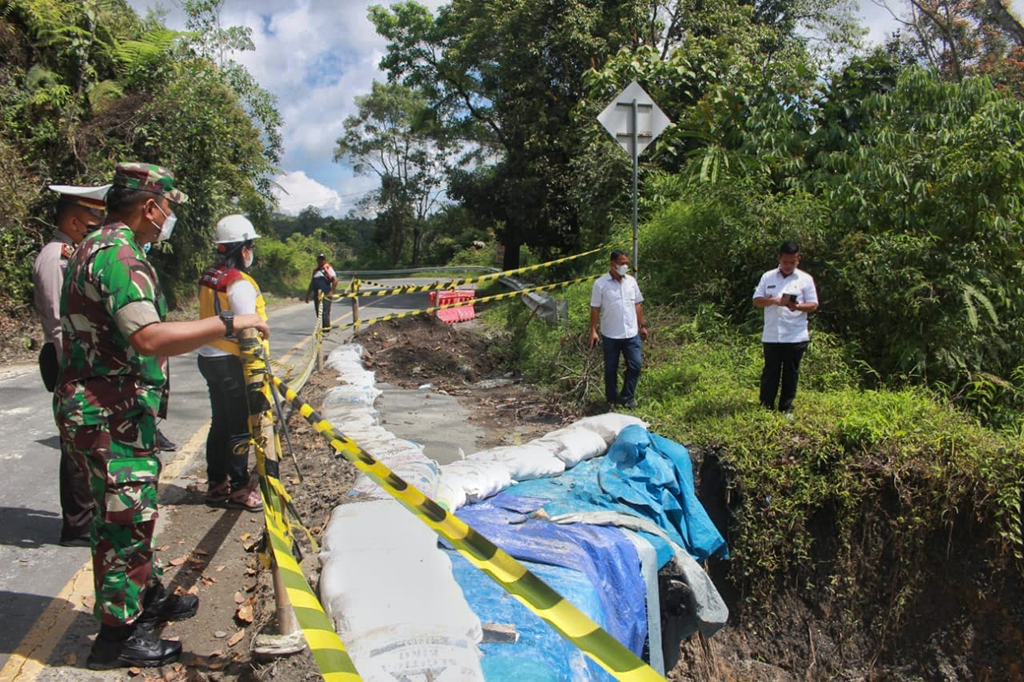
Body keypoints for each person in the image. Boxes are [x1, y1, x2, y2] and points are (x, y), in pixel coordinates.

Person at [54, 162, 270, 670]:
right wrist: (229, 321)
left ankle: (147, 598)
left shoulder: (98, 246)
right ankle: (116, 638)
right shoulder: (119, 255)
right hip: (108, 413)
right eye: (168, 208)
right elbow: (148, 338)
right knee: (123, 521)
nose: (168, 217)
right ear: (150, 206)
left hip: (109, 410)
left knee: (131, 515)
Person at [32, 183, 109, 546]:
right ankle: (76, 524)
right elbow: (57, 318)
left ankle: (86, 516)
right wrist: (74, 368)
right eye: (93, 215)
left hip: (80, 359)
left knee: (87, 442)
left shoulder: (72, 252)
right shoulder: (55, 256)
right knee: (75, 445)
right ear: (76, 219)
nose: (96, 222)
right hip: (69, 361)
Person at [196, 214, 266, 512]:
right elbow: (246, 327)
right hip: (232, 362)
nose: (252, 251)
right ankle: (239, 488)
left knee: (220, 423)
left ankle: (217, 483)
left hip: (209, 357)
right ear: (241, 248)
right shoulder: (239, 283)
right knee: (239, 427)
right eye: (249, 245)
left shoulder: (211, 275)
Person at [752, 241, 819, 415]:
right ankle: (765, 406)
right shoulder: (768, 277)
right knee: (770, 372)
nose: (788, 266)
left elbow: (813, 305)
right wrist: (773, 300)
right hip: (772, 334)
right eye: (785, 262)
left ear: (798, 259)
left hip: (795, 334)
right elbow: (756, 301)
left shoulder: (805, 279)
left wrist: (797, 307)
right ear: (779, 258)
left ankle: (786, 408)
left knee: (791, 373)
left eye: (792, 262)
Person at [589, 250, 648, 408]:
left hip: (631, 333)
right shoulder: (600, 284)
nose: (625, 266)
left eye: (627, 263)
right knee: (610, 369)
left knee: (635, 365)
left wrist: (642, 326)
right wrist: (593, 331)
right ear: (612, 264)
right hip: (611, 335)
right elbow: (595, 308)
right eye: (622, 263)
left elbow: (637, 304)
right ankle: (611, 400)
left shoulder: (631, 282)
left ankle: (627, 398)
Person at [304, 252, 337, 331]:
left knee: (325, 312)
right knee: (318, 312)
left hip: (326, 294)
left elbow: (335, 280)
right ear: (317, 260)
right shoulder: (315, 271)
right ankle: (321, 329)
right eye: (319, 259)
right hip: (316, 294)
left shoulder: (327, 268)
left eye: (322, 259)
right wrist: (308, 295)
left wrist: (331, 291)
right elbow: (312, 283)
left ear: (324, 260)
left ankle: (326, 329)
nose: (320, 261)